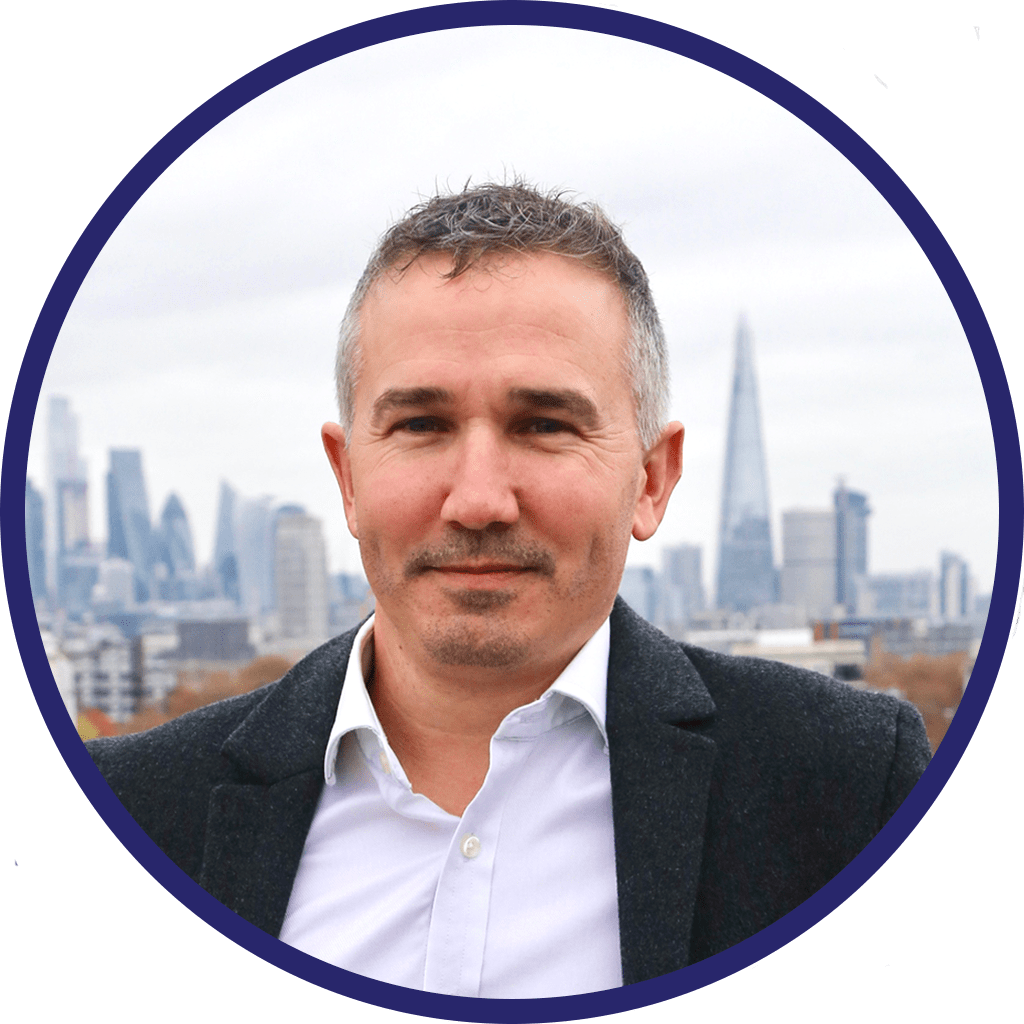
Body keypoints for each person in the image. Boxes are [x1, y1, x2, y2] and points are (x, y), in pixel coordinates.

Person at [87, 181, 931, 998]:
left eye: (544, 425)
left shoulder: (849, 791)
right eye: (421, 425)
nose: (479, 500)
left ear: (650, 479)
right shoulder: (133, 812)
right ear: (347, 478)